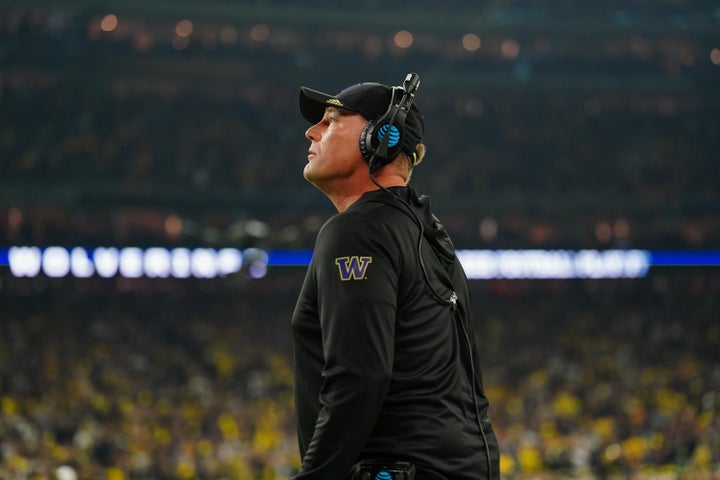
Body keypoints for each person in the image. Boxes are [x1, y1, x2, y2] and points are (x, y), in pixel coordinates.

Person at [291, 74, 500, 480]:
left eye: (332, 120)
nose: (311, 130)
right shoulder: (430, 234)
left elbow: (360, 375)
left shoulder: (357, 231)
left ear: (379, 138)